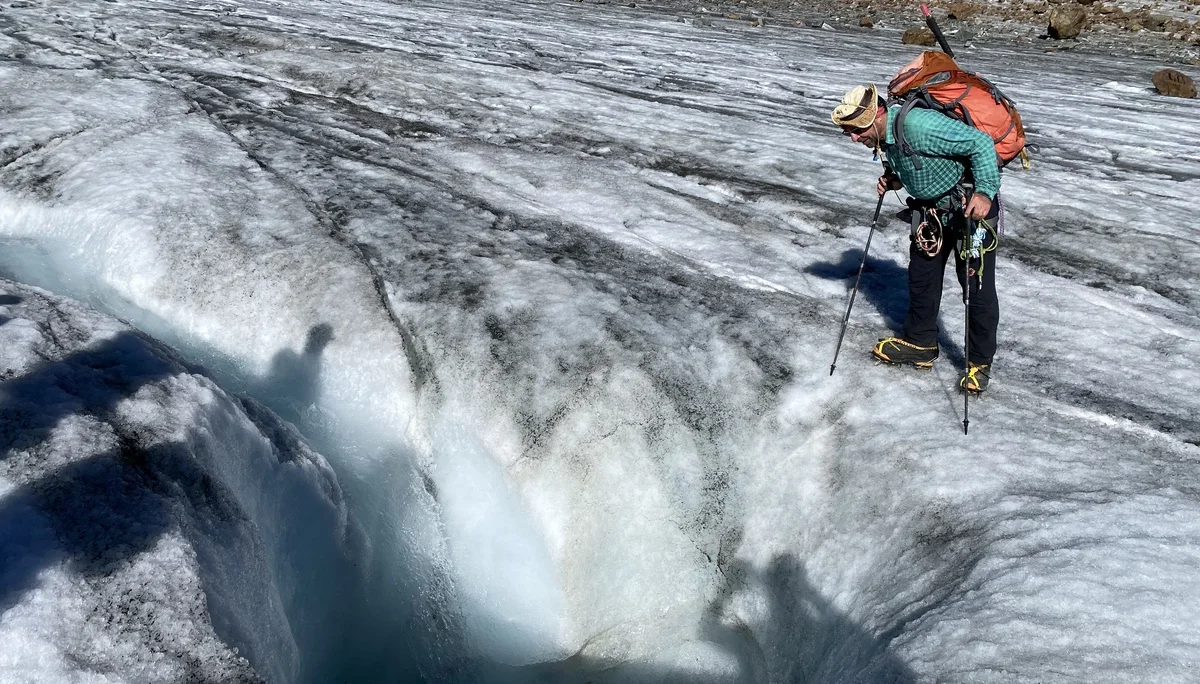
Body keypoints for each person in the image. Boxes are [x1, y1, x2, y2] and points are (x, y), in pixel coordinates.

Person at [831, 84, 1001, 393]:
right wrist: (894, 179)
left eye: (856, 130)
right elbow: (920, 163)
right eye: (848, 133)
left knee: (975, 287)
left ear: (878, 114)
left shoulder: (917, 125)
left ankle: (979, 363)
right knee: (922, 278)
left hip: (969, 207)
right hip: (930, 214)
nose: (854, 138)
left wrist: (985, 192)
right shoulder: (885, 138)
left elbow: (981, 143)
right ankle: (920, 343)